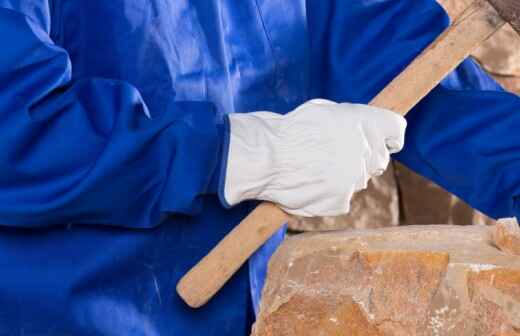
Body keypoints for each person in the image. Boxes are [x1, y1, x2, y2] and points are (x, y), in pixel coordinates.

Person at [0, 0, 518, 335]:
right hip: (60, 315)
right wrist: (238, 154)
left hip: (250, 313)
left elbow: (409, 71)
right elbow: (14, 130)